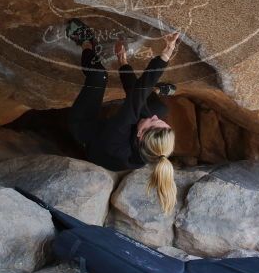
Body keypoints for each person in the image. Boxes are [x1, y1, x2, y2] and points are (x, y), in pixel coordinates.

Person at [67, 19, 179, 214]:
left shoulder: (117, 136)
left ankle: (85, 43)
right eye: (163, 125)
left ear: (141, 134)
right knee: (158, 110)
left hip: (88, 133)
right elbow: (138, 98)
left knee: (98, 76)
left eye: (152, 123)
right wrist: (123, 62)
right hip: (118, 140)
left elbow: (135, 99)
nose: (153, 119)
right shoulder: (151, 147)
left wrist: (165, 55)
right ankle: (157, 91)